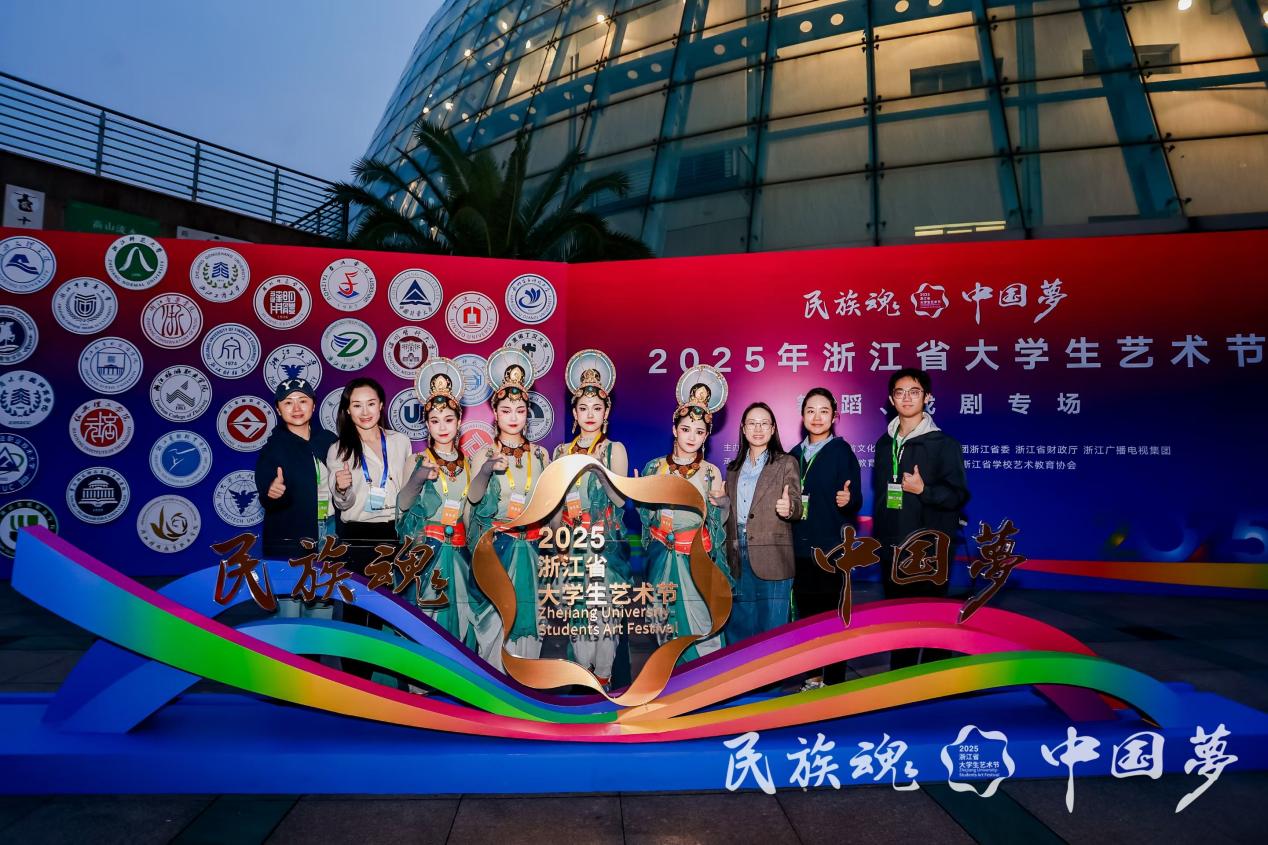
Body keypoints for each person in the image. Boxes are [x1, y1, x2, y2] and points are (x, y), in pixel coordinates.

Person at [397, 358, 503, 669]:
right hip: (425, 555)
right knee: (424, 621)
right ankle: (421, 687)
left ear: (459, 423)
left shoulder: (470, 464)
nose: (442, 427)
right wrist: (419, 477)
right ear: (426, 425)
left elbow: (472, 513)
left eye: (448, 419)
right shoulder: (417, 459)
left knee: (462, 622)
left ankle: (457, 685)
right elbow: (402, 504)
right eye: (434, 420)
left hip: (459, 555)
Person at [872, 367, 969, 669]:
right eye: (900, 392)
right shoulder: (884, 444)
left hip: (929, 551)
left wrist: (923, 490)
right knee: (899, 624)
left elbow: (957, 496)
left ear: (927, 397)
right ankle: (900, 681)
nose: (907, 398)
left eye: (914, 392)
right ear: (891, 399)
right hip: (892, 548)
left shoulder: (944, 444)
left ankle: (933, 684)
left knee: (931, 623)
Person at [637, 365, 732, 662]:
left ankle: (706, 680)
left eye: (699, 431)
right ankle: (673, 678)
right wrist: (640, 499)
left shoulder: (710, 472)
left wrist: (723, 504)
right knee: (664, 621)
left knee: (702, 622)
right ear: (674, 429)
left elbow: (719, 522)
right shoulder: (655, 467)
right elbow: (647, 517)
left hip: (696, 559)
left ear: (707, 436)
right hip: (662, 557)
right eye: (686, 429)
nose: (692, 437)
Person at [552, 350, 630, 689]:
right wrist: (558, 543)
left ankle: (605, 678)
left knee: (606, 614)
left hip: (604, 545)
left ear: (606, 412)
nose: (589, 415)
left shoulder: (614, 449)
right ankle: (584, 680)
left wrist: (600, 470)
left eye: (597, 408)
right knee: (579, 616)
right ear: (574, 412)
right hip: (572, 545)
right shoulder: (560, 453)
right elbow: (554, 508)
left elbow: (620, 500)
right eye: (583, 408)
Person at [327, 377, 415, 677]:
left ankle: (378, 675)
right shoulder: (339, 449)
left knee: (385, 609)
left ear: (381, 406)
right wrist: (342, 488)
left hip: (393, 534)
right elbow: (342, 503)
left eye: (370, 404)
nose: (365, 412)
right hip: (357, 537)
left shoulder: (400, 442)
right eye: (357, 405)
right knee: (355, 608)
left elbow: (407, 490)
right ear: (347, 410)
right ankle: (355, 678)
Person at [467, 348, 551, 660]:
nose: (513, 417)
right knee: (495, 623)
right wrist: (487, 470)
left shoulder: (540, 454)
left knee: (529, 623)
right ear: (495, 412)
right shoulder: (484, 453)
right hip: (496, 550)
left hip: (531, 549)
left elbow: (549, 505)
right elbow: (473, 498)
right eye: (506, 410)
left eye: (520, 410)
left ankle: (523, 683)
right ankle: (493, 684)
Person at [789, 387, 862, 689]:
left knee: (832, 618)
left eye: (824, 411)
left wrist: (849, 500)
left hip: (832, 552)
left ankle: (834, 682)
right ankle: (811, 678)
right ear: (802, 416)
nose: (817, 417)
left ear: (835, 417)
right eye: (811, 411)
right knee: (806, 619)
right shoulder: (793, 456)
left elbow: (856, 498)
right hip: (799, 550)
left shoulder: (842, 452)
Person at [254, 377, 338, 621]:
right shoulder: (273, 447)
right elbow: (266, 491)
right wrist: (272, 492)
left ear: (314, 405)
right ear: (278, 409)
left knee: (322, 604)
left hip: (329, 532)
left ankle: (317, 648)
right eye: (288, 402)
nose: (297, 407)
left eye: (303, 400)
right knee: (288, 611)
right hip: (290, 536)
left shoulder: (329, 441)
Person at [722, 401, 801, 644]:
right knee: (739, 625)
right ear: (743, 428)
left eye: (764, 423)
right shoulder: (733, 469)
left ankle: (773, 673)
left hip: (773, 554)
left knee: (773, 628)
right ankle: (742, 670)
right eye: (752, 423)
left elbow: (797, 505)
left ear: (773, 428)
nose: (758, 429)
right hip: (737, 554)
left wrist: (790, 508)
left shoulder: (786, 463)